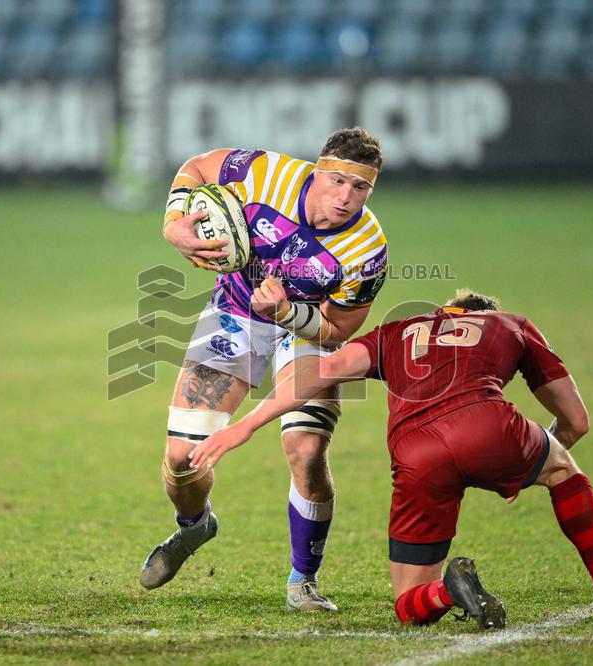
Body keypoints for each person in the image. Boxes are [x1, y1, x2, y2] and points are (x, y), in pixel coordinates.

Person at [189, 290, 593, 628]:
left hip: (415, 454)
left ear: (447, 310)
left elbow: (327, 368)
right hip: (488, 425)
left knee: (407, 605)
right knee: (563, 471)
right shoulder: (511, 325)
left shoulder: (397, 330)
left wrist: (247, 424)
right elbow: (576, 422)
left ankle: (448, 591)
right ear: (482, 313)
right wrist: (528, 462)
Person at [141, 128, 389, 612]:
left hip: (304, 330)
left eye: (360, 188)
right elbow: (197, 166)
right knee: (181, 460)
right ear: (317, 170)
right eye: (337, 181)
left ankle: (303, 580)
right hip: (235, 314)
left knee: (306, 448)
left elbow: (338, 329)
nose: (345, 197)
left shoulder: (367, 249)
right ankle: (195, 527)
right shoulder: (267, 174)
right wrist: (174, 222)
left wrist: (287, 315)